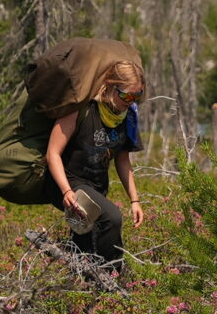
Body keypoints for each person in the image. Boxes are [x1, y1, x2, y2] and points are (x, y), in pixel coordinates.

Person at [42, 57, 147, 276]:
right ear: (109, 86)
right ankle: (112, 281)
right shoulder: (80, 110)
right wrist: (66, 191)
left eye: (137, 96)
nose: (131, 100)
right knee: (112, 218)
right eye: (126, 94)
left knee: (85, 245)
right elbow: (52, 153)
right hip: (68, 182)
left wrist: (135, 200)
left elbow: (122, 160)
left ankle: (83, 293)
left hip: (97, 187)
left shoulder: (125, 117)